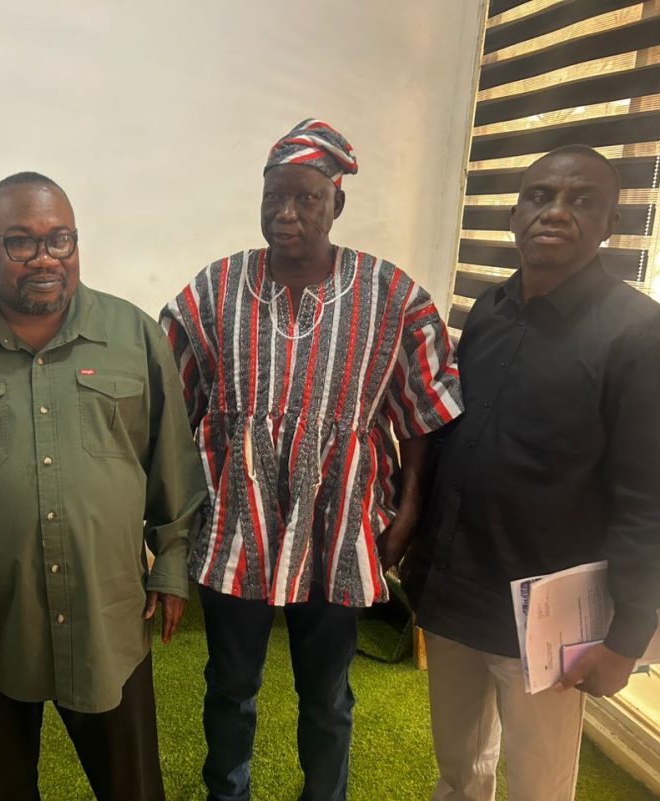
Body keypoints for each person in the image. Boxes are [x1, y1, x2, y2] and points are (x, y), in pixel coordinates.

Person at [0, 171, 206, 801]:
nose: (45, 258)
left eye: (60, 240)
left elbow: (171, 459)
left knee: (133, 788)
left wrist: (171, 561)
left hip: (108, 615)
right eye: (21, 242)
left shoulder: (133, 336)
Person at [160, 119, 462, 801]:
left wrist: (408, 510)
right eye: (274, 197)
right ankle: (226, 792)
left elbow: (424, 411)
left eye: (306, 198)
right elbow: (170, 403)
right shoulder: (216, 287)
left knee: (326, 693)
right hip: (235, 526)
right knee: (230, 683)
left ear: (337, 203)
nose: (286, 213)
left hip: (339, 529)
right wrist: (175, 518)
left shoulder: (391, 294)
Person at [407, 144, 660, 801]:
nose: (555, 212)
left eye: (581, 200)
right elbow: (458, 436)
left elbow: (647, 502)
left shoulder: (643, 336)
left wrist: (627, 635)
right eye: (539, 196)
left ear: (612, 223)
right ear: (514, 215)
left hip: (548, 620)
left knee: (539, 788)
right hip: (457, 591)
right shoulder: (489, 308)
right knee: (458, 770)